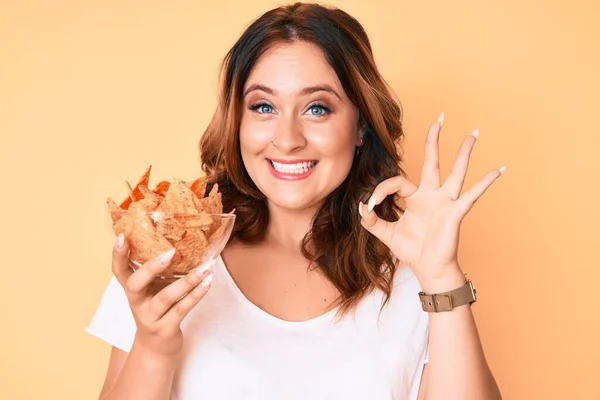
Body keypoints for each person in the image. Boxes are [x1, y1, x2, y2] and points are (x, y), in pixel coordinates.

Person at [86, 2, 504, 399]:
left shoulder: (418, 276)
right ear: (238, 123)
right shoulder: (166, 260)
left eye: (317, 109)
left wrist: (443, 277)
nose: (287, 140)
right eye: (264, 106)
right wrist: (154, 345)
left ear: (360, 128)